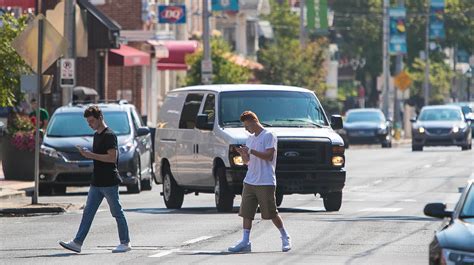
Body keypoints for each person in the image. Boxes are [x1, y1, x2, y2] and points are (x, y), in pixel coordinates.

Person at [59, 106, 131, 253]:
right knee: (88, 213)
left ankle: (125, 243)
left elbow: (112, 158)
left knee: (117, 212)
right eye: (88, 122)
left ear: (100, 118)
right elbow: (99, 157)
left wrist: (91, 155)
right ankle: (77, 242)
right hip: (96, 181)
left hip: (109, 181)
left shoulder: (109, 135)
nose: (89, 124)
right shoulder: (96, 135)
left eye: (91, 121)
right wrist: (87, 154)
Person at [228, 111, 291, 253]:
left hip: (266, 180)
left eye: (246, 126)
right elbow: (247, 162)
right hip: (250, 180)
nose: (246, 129)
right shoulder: (250, 139)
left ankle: (285, 236)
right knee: (246, 213)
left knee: (271, 213)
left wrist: (250, 151)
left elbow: (269, 156)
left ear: (253, 122)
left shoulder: (269, 135)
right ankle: (245, 241)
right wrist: (244, 154)